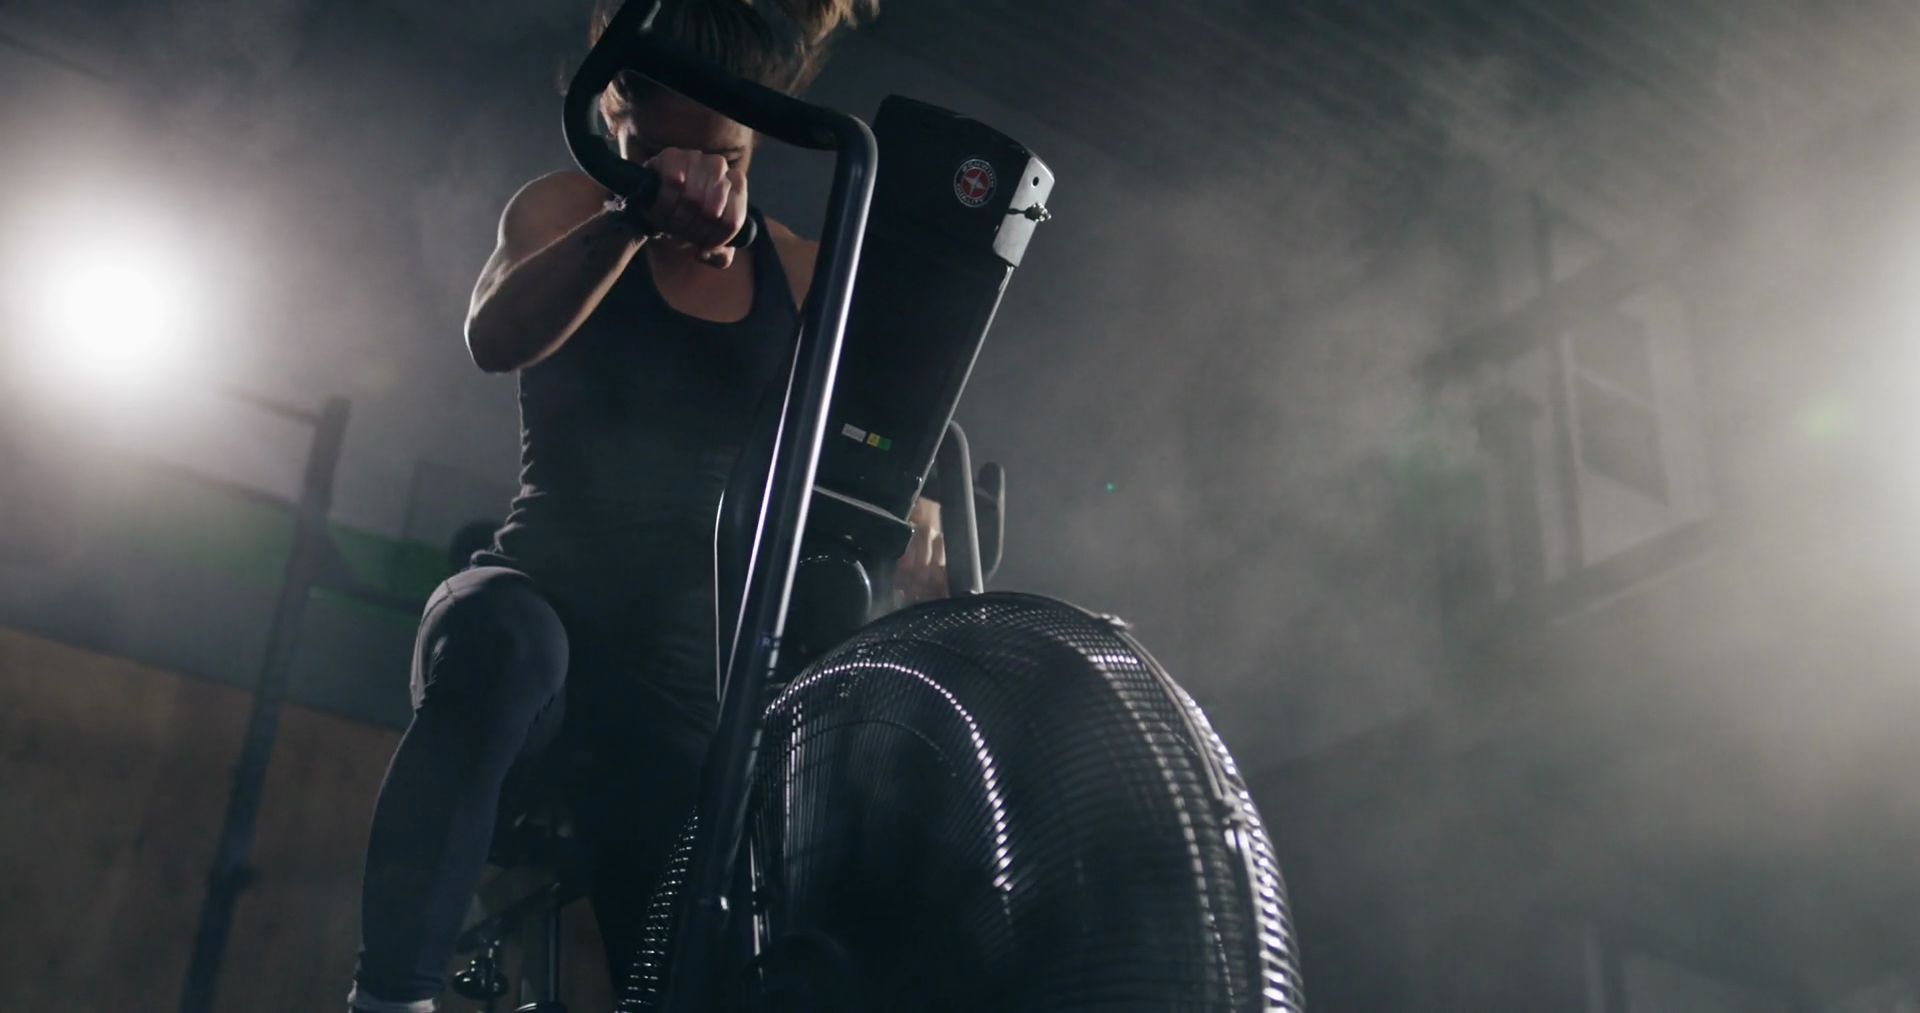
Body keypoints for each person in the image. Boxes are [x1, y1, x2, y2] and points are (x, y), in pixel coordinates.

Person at [347, 2, 945, 1009]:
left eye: (722, 158)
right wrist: (634, 217)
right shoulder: (562, 207)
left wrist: (916, 515)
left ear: (754, 140)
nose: (696, 180)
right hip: (532, 597)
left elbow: (871, 453)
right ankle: (387, 998)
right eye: (662, 157)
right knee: (505, 645)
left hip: (678, 672)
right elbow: (493, 337)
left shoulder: (800, 272)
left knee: (691, 915)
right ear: (613, 118)